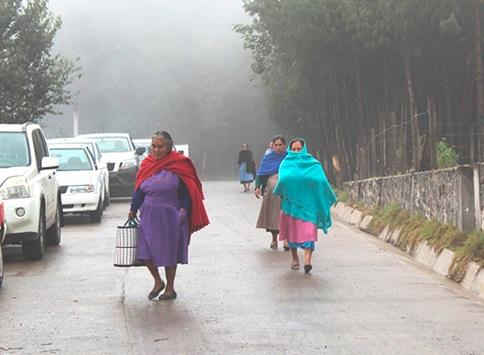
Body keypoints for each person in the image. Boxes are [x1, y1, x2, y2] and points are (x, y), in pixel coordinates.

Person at [128, 131, 209, 300]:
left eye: (161, 146)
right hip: (149, 214)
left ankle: (170, 288)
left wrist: (184, 210)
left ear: (169, 146)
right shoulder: (146, 164)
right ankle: (158, 281)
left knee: (169, 251)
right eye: (154, 146)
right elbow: (138, 189)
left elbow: (188, 191)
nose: (156, 150)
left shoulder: (179, 163)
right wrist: (133, 208)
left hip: (171, 215)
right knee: (146, 250)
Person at [273, 138, 337, 273]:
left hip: (309, 206)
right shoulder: (286, 164)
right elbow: (283, 180)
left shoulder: (313, 165)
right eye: (294, 149)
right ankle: (295, 258)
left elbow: (320, 181)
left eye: (299, 149)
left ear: (304, 149)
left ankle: (307, 260)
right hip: (290, 206)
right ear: (290, 150)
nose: (297, 152)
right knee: (292, 234)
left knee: (308, 232)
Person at [255, 135, 289, 250]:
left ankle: (286, 240)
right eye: (276, 145)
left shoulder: (288, 158)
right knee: (273, 215)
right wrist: (257, 187)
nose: (278, 147)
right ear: (273, 146)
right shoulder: (268, 158)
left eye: (281, 145)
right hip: (271, 190)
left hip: (286, 190)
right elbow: (261, 174)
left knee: (285, 214)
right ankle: (274, 239)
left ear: (284, 146)